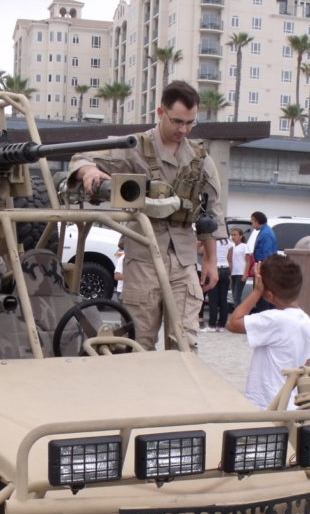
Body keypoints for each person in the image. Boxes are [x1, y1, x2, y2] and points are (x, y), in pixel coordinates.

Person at [69, 79, 226, 351]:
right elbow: (82, 157)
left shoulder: (200, 158)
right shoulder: (134, 146)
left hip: (183, 258)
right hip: (143, 254)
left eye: (190, 123)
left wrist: (210, 260)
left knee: (185, 341)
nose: (183, 129)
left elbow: (210, 211)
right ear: (161, 112)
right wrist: (90, 172)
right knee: (138, 340)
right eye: (177, 121)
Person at [227, 255, 310, 409]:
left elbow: (233, 323)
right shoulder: (306, 320)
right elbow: (306, 362)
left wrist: (256, 292)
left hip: (265, 404)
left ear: (269, 294)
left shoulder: (274, 320)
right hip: (288, 402)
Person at [247, 211, 278, 312]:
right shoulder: (265, 231)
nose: (252, 225)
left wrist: (259, 269)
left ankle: (263, 315)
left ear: (257, 220)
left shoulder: (266, 234)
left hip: (264, 267)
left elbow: (267, 254)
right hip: (264, 266)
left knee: (262, 294)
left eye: (252, 222)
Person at [203, 233, 231, 331]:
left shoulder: (212, 242)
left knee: (213, 299)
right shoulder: (229, 242)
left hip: (214, 269)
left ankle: (212, 325)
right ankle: (222, 325)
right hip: (225, 269)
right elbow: (230, 259)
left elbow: (203, 254)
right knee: (223, 299)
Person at [229, 227, 249, 306]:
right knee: (234, 295)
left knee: (237, 295)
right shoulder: (231, 247)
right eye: (232, 235)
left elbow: (248, 261)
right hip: (233, 273)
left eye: (235, 235)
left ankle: (238, 313)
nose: (233, 237)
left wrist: (245, 273)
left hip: (241, 273)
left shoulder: (244, 246)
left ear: (240, 236)